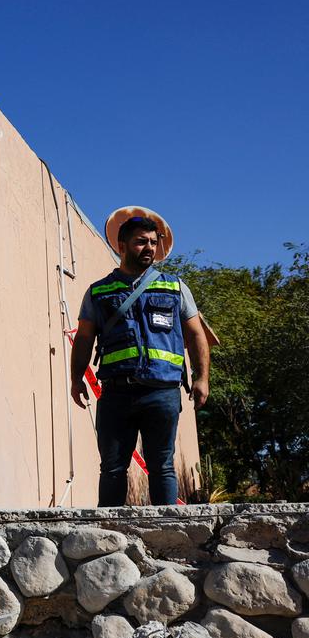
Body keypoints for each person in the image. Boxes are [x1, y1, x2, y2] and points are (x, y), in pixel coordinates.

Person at [70, 207, 210, 506]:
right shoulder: (99, 292)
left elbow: (197, 334)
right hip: (116, 393)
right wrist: (76, 378)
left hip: (162, 391)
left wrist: (202, 378)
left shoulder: (174, 287)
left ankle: (169, 529)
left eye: (152, 242)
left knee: (163, 466)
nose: (149, 248)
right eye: (141, 242)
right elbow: (83, 338)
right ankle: (108, 530)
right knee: (112, 468)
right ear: (122, 246)